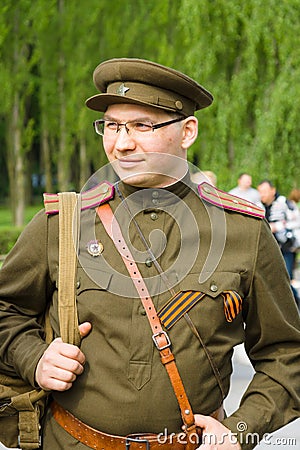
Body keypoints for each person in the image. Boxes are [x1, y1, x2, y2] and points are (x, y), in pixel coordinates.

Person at [0, 58, 299, 450]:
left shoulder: (244, 231)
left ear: (187, 131)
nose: (122, 143)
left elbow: (286, 353)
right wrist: (34, 358)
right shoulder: (61, 223)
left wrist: (241, 431)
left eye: (142, 125)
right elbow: (6, 309)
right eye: (111, 125)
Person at [257, 179, 300, 306]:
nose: (262, 195)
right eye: (260, 192)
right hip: (268, 249)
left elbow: (297, 221)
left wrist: (277, 226)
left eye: (265, 191)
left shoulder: (285, 203)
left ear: (273, 190)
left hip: (286, 247)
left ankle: (295, 304)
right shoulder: (257, 206)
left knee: (285, 277)